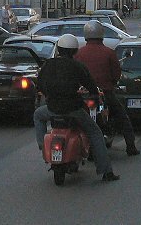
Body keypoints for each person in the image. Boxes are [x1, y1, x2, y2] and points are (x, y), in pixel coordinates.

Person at [34, 33, 118, 182]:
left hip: (52, 109)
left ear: (59, 49)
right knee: (95, 133)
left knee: (37, 115)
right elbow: (91, 85)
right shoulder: (77, 66)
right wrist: (92, 93)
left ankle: (42, 145)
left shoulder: (48, 64)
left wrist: (49, 95)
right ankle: (106, 172)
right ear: (74, 51)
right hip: (74, 110)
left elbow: (39, 84)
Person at [75, 21, 139, 156]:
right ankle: (131, 146)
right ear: (101, 34)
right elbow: (116, 74)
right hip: (104, 93)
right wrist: (112, 83)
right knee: (122, 117)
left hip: (83, 95)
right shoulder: (108, 53)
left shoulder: (79, 53)